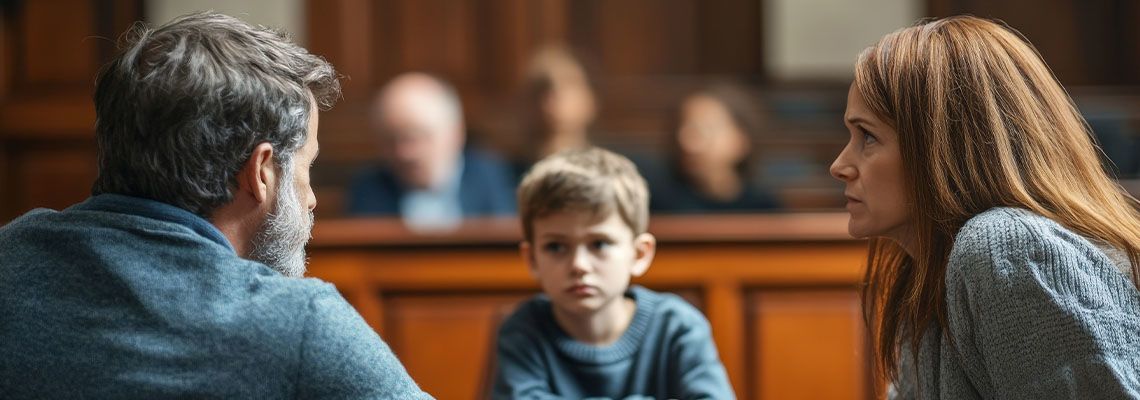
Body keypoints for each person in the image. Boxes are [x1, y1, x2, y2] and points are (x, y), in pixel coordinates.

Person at [0, 12, 432, 399]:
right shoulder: (301, 325)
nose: (312, 198)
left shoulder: (10, 256)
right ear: (261, 171)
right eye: (307, 166)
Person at [830, 16, 1140, 399]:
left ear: (941, 148)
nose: (839, 166)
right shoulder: (928, 267)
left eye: (868, 137)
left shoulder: (1003, 248)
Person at [492, 147, 735, 399]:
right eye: (556, 247)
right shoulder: (523, 331)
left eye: (599, 244)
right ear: (532, 259)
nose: (579, 265)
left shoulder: (678, 327)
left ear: (639, 254)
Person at [346, 72, 516, 231]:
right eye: (390, 140)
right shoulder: (368, 190)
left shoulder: (492, 179)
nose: (404, 153)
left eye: (416, 137)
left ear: (455, 133)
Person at [649, 83, 780, 213]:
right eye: (683, 129)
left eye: (707, 129)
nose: (688, 143)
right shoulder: (658, 203)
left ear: (742, 139)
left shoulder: (763, 206)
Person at [506, 46, 598, 181]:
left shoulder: (617, 178)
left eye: (567, 85)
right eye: (541, 90)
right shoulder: (500, 177)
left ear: (591, 100)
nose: (553, 99)